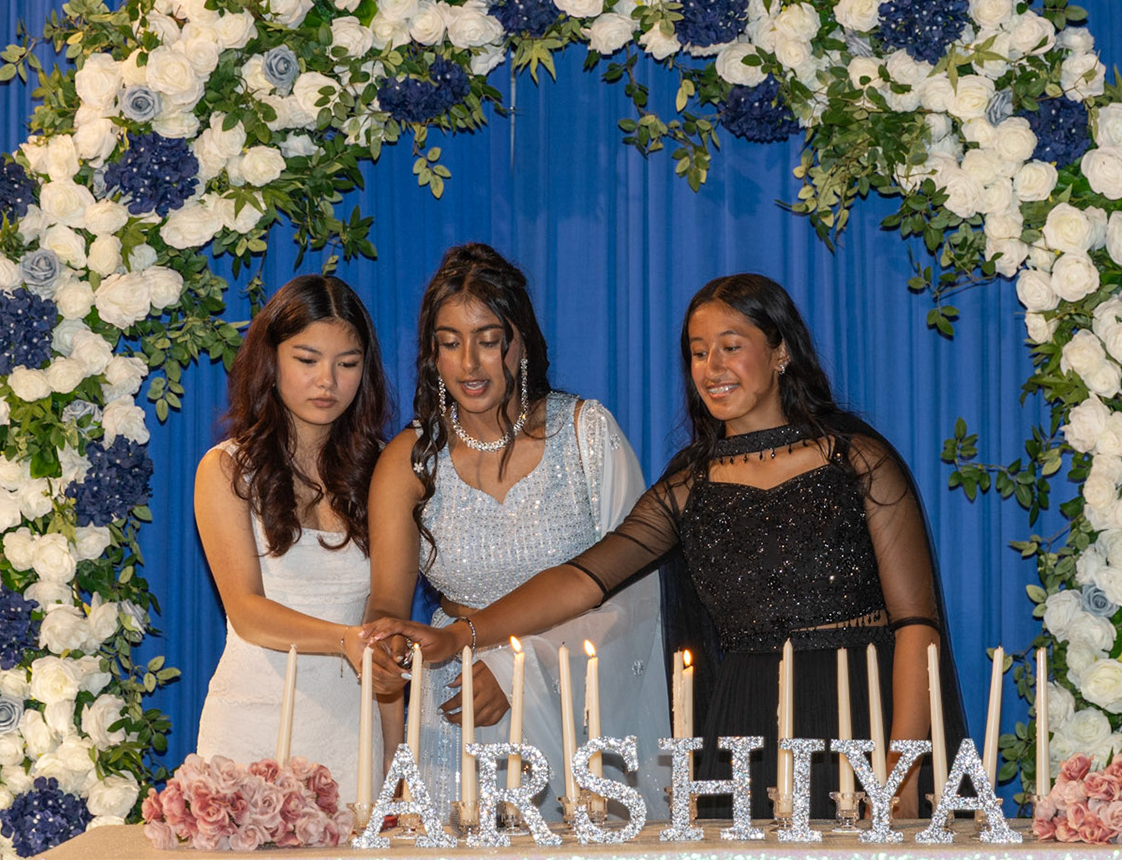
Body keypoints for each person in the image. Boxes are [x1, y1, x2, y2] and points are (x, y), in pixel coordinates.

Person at [365, 273, 967, 816]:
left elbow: (917, 623)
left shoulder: (857, 461)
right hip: (746, 723)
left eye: (731, 346)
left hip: (860, 705)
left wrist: (904, 765)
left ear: (781, 351)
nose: (713, 367)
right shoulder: (689, 484)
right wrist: (462, 636)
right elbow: (583, 579)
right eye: (698, 353)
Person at [365, 243, 671, 811]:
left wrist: (516, 668)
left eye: (487, 340)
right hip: (456, 697)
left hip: (574, 699)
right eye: (449, 343)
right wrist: (387, 652)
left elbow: (632, 595)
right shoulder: (409, 459)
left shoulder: (586, 434)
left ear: (520, 342)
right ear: (431, 355)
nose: (469, 364)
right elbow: (386, 601)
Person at [192, 275, 404, 787]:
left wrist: (398, 760)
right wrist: (344, 640)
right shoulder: (226, 469)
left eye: (347, 364)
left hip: (352, 733)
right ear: (271, 360)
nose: (327, 381)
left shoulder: (386, 469)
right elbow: (247, 613)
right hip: (250, 730)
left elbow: (386, 629)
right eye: (307, 360)